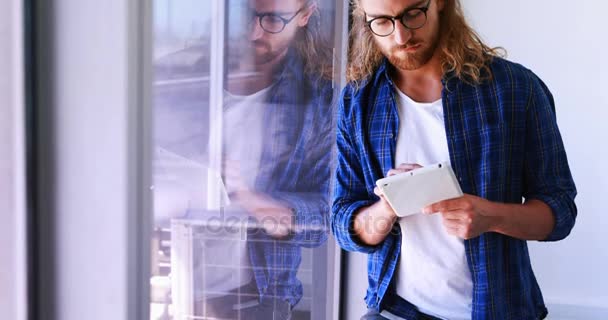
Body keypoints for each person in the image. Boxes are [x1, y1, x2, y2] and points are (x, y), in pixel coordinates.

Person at [331, 0, 577, 319]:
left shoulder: (517, 89)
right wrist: (387, 207)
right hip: (395, 311)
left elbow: (560, 211)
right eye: (381, 21)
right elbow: (342, 222)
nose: (401, 36)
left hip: (499, 311)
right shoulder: (358, 101)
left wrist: (492, 216)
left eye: (412, 14)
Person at [189, 0, 335, 319]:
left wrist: (248, 197)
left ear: (305, 15)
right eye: (248, 16)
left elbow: (326, 215)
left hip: (256, 294)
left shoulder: (318, 101)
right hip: (178, 275)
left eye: (272, 20)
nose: (254, 32)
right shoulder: (194, 77)